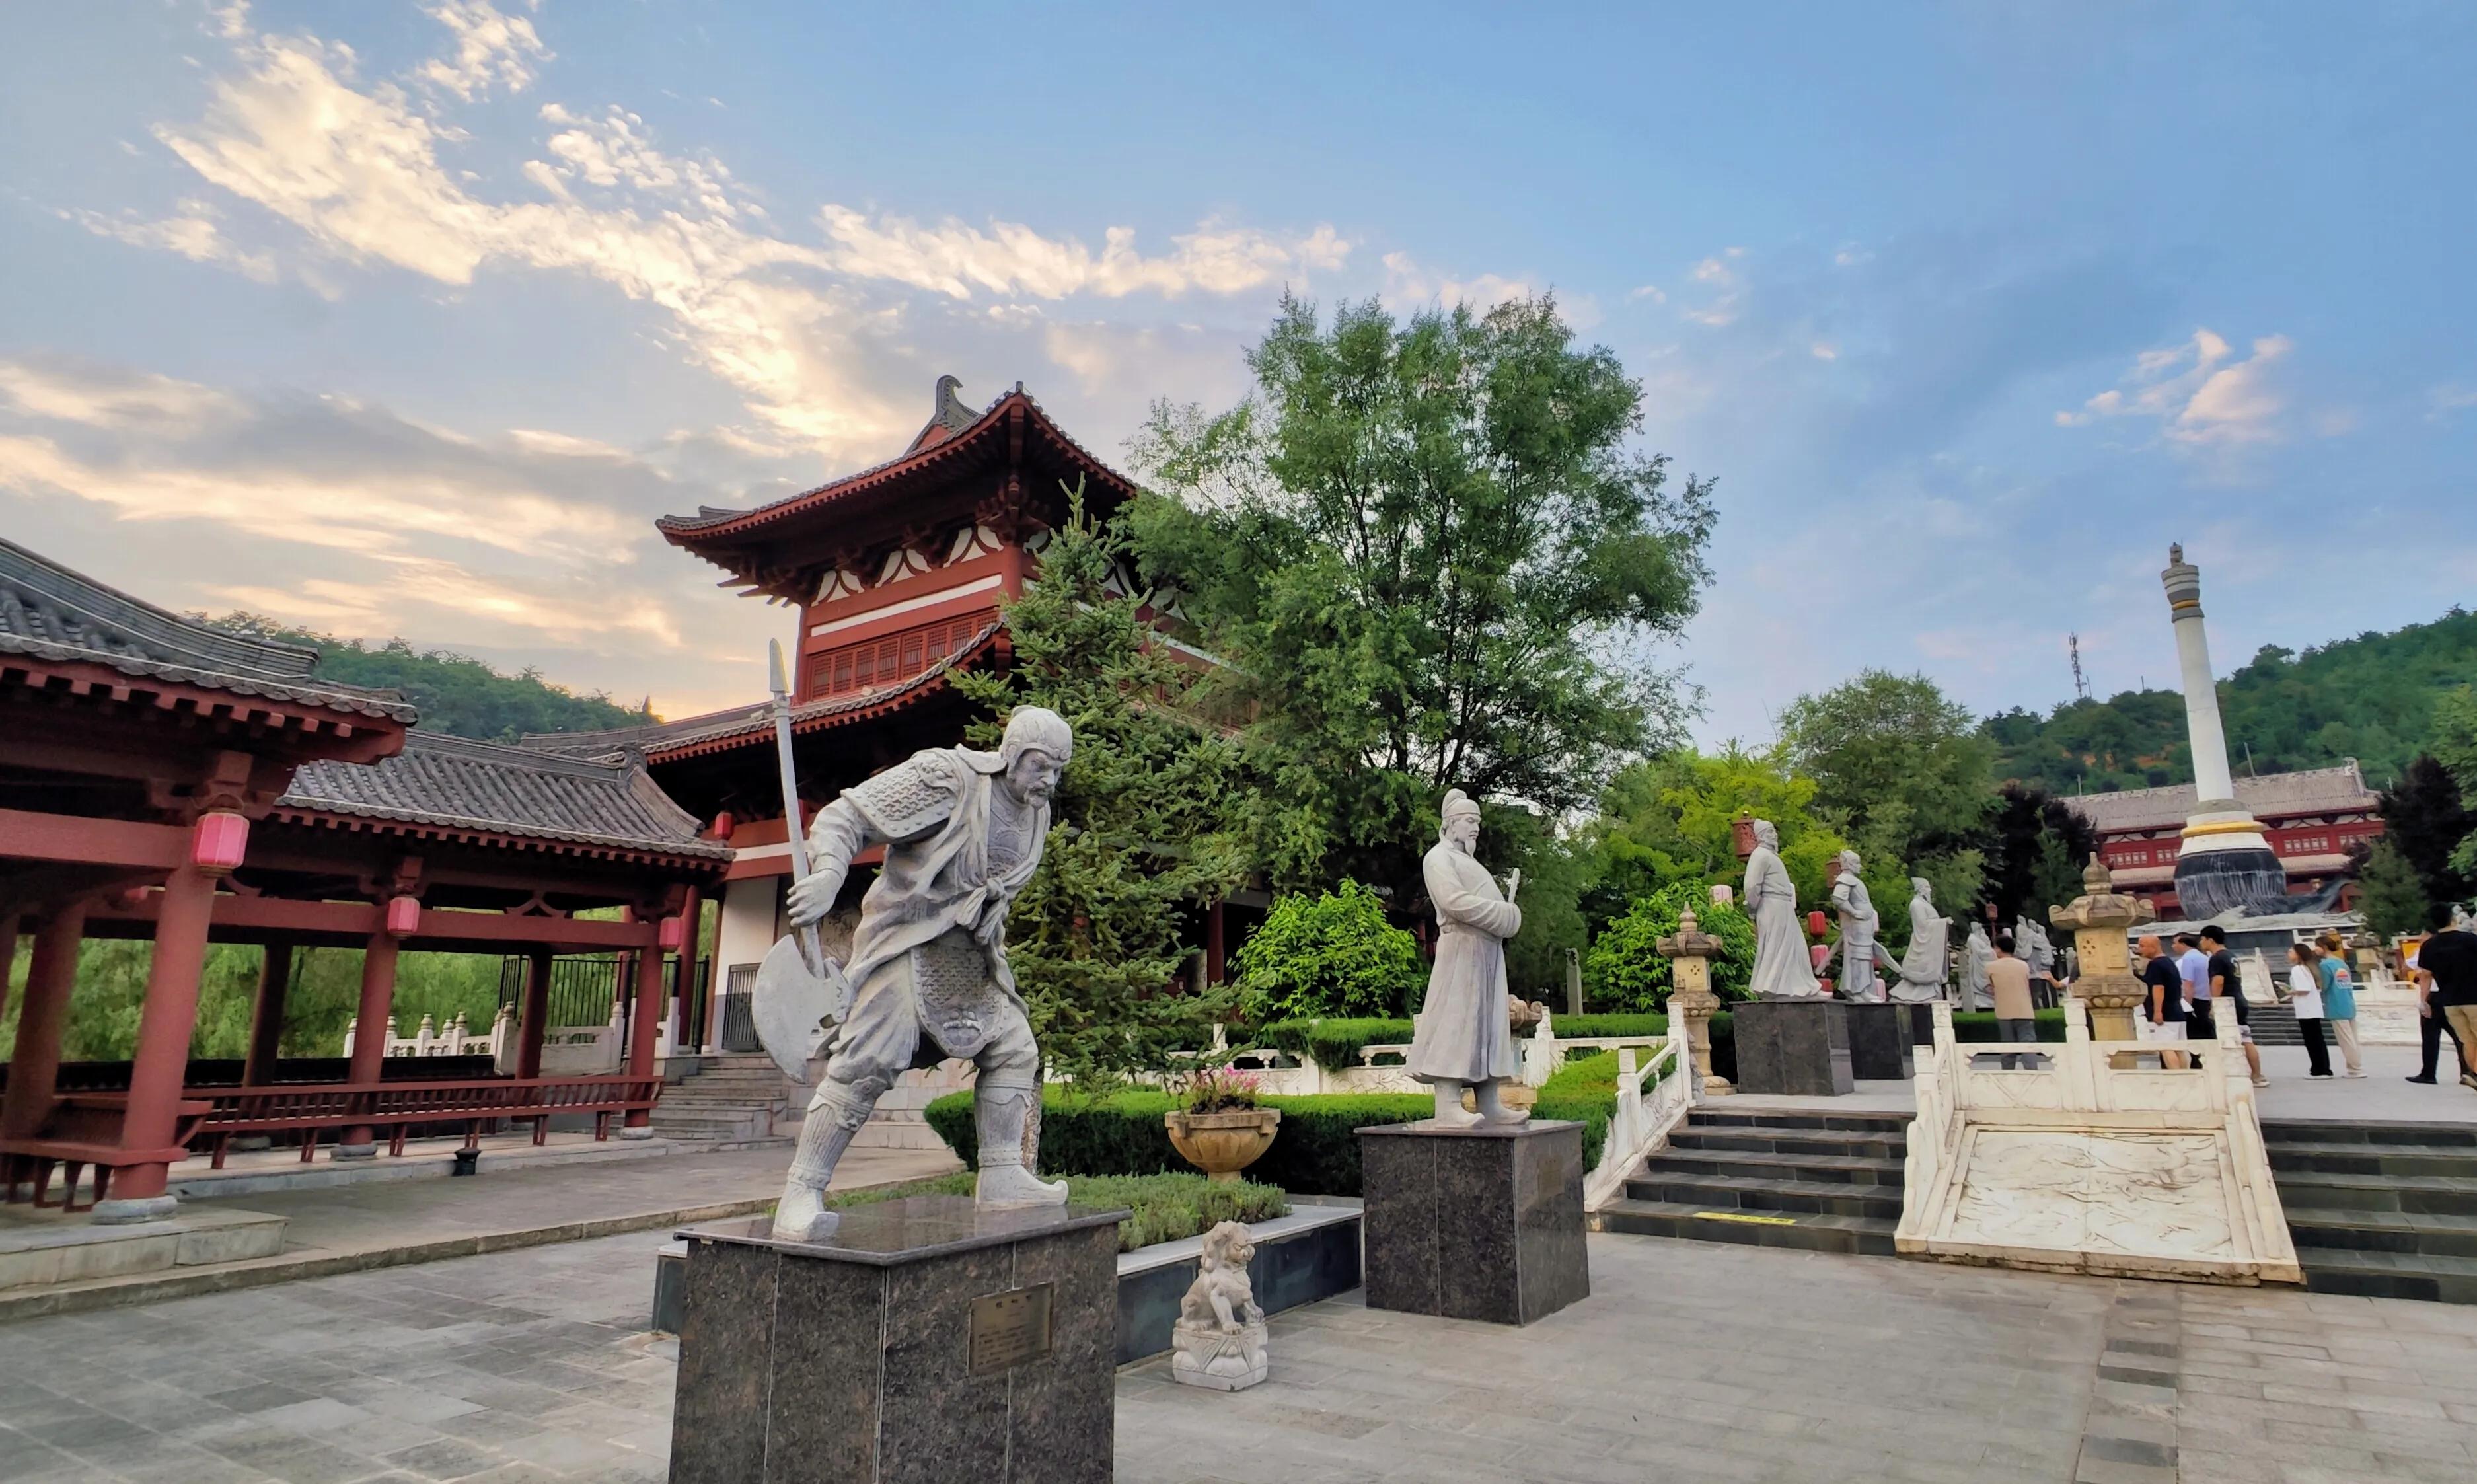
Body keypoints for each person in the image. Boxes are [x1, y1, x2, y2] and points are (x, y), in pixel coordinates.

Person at [770, 707, 1076, 1241]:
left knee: (1014, 1048)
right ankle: (801, 1189)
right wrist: (828, 874)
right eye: (1038, 766)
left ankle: (1003, 1175)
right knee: (869, 1062)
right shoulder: (948, 779)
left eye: (1057, 770)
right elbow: (846, 818)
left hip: (972, 957)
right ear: (1010, 754)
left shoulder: (1035, 812)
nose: (1047, 781)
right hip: (908, 944)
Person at [2413, 912, 2477, 1092]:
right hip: (2474, 998)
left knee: (2468, 1041)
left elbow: (2425, 976)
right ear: (2454, 920)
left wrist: (2423, 1002)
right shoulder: (2470, 940)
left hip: (2450, 1002)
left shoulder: (2429, 946)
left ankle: (2474, 1075)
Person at [2199, 925, 2266, 1088]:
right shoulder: (2231, 956)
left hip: (2227, 1003)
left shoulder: (2217, 958)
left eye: (2202, 939)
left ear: (2210, 940)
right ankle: (2257, 1075)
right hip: (2239, 999)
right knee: (2245, 1038)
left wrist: (2214, 1003)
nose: (2201, 943)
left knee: (2235, 1039)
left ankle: (2246, 1074)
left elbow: (2218, 981)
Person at [1987, 932, 2040, 1069]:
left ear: (1998, 949)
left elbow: (1991, 987)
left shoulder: (1991, 967)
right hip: (2025, 1010)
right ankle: (2032, 1073)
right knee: (2028, 1045)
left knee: (2007, 1046)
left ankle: (2008, 1074)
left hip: (2004, 1012)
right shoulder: (2023, 966)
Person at [2316, 933, 2364, 1078]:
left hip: (2336, 1004)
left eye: (2317, 946)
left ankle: (2356, 1069)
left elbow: (2325, 985)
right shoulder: (2341, 963)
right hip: (2348, 1002)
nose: (2315, 950)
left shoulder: (2325, 965)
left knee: (2346, 1040)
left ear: (2323, 947)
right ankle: (2353, 1068)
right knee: (2353, 1038)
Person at [2137, 934, 2188, 1070]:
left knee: (2166, 1047)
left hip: (2165, 1013)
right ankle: (2186, 1076)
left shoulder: (2156, 965)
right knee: (2179, 1048)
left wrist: (2157, 1011)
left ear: (2153, 947)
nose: (2139, 949)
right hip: (2177, 1011)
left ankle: (2176, 1076)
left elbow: (2158, 988)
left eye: (2142, 946)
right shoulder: (2169, 962)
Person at [2287, 942, 2333, 1078]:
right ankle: (2324, 1068)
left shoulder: (2297, 969)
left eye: (2291, 951)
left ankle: (2318, 1069)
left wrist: (2291, 992)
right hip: (2313, 1008)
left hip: (2305, 1009)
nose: (2289, 954)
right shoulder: (2309, 968)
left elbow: (2303, 989)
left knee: (2312, 1041)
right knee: (2318, 1039)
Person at [2176, 932, 2214, 1050]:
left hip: (2195, 1001)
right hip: (2207, 999)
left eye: (2175, 943)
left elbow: (2188, 984)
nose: (2173, 946)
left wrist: (2188, 1004)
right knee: (2207, 1031)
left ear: (2184, 944)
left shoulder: (2188, 959)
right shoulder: (2205, 958)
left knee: (2195, 1035)